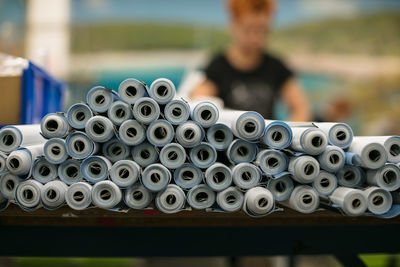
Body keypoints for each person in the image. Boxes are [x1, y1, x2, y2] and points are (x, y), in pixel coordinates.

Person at [190, 0, 310, 121]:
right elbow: (198, 102)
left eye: (261, 30)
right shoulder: (218, 66)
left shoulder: (276, 66)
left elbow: (300, 108)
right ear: (233, 26)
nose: (254, 37)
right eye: (248, 29)